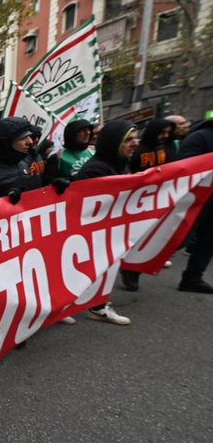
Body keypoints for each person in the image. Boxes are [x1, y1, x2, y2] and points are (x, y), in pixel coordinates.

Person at [72, 119, 138, 324]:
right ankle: (66, 309)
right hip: (87, 233)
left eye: (135, 138)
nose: (135, 143)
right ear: (113, 143)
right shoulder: (96, 170)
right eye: (128, 140)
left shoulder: (118, 165)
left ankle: (98, 306)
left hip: (106, 233)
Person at [121, 118, 180, 291]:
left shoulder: (167, 148)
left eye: (168, 132)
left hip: (161, 198)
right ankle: (129, 269)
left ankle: (134, 269)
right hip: (137, 200)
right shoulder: (137, 150)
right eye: (162, 132)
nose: (165, 136)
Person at [175, 118, 213, 294]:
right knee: (179, 239)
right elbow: (185, 165)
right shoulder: (200, 137)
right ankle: (132, 267)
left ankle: (193, 278)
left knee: (208, 240)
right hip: (194, 199)